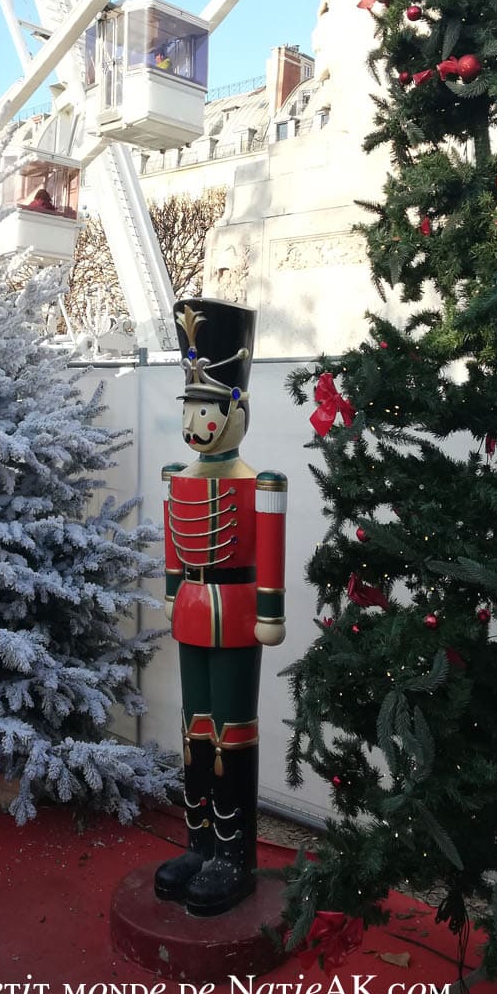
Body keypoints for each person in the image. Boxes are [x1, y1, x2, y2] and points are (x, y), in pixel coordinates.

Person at [154, 298, 287, 917]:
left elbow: (271, 548)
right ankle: (198, 842)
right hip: (191, 608)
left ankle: (233, 855)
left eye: (208, 408)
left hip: (236, 611)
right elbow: (173, 545)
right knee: (194, 726)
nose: (197, 421)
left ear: (236, 410)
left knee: (232, 728)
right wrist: (170, 589)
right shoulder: (178, 474)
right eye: (191, 408)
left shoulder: (259, 482)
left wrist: (271, 610)